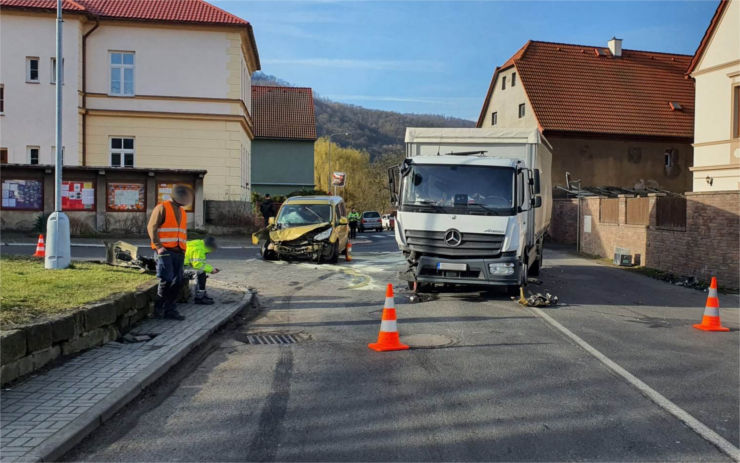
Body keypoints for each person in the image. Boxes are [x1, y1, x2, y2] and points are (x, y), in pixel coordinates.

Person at [148, 184, 193, 320]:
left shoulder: (182, 211)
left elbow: (181, 232)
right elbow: (152, 227)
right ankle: (158, 309)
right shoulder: (162, 207)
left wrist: (184, 249)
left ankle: (170, 310)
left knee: (178, 281)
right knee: (166, 280)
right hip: (165, 250)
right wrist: (158, 246)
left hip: (179, 251)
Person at [184, 236, 219, 305]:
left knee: (202, 271)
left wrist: (211, 269)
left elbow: (199, 264)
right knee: (199, 273)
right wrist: (211, 270)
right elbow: (198, 265)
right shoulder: (199, 250)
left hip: (180, 265)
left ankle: (202, 294)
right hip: (179, 268)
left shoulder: (198, 243)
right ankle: (200, 298)